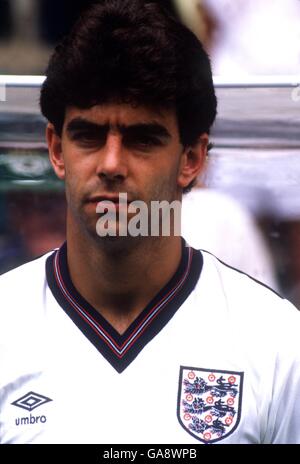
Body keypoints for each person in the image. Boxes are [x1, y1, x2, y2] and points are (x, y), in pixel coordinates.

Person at [0, 0, 300, 445]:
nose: (111, 163)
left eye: (142, 139)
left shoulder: (277, 342)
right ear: (57, 150)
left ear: (192, 159)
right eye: (88, 135)